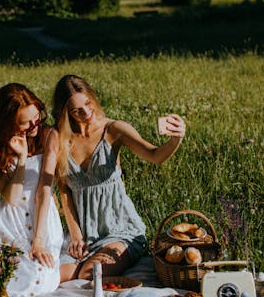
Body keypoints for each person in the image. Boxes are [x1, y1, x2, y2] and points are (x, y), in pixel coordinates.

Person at [52, 74, 186, 282]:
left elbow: (155, 156)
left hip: (120, 230)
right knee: (54, 276)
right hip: (82, 235)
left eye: (88, 103)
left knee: (90, 273)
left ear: (93, 98)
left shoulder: (114, 130)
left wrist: (176, 138)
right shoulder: (60, 139)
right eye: (76, 110)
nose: (86, 113)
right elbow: (64, 190)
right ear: (65, 113)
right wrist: (76, 236)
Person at [0, 83, 63, 297]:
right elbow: (11, 197)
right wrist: (21, 157)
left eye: (36, 117)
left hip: (42, 218)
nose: (33, 125)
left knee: (42, 276)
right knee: (12, 272)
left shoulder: (49, 136)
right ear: (8, 123)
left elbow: (44, 191)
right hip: (10, 220)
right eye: (25, 123)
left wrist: (39, 240)